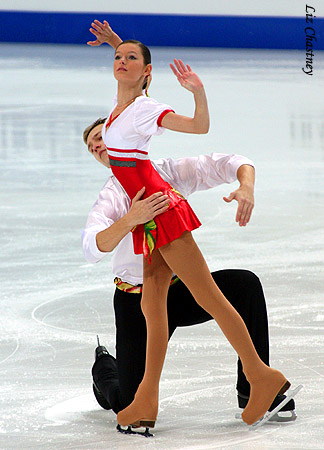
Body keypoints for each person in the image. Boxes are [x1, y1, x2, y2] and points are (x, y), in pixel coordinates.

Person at [86, 20, 294, 428]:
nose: (121, 61)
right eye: (117, 57)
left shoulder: (145, 110)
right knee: (152, 303)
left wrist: (198, 93)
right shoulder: (120, 108)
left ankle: (260, 376)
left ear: (148, 71)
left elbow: (200, 128)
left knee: (210, 297)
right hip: (148, 211)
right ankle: (146, 399)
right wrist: (118, 43)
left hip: (161, 208)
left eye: (132, 58)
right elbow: (129, 71)